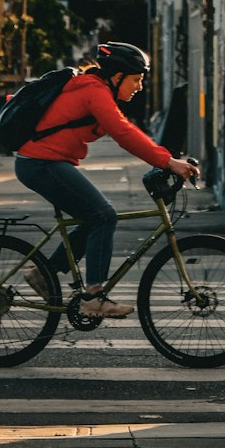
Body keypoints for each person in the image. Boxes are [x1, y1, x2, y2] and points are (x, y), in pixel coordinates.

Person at [13, 41, 198, 318]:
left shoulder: (98, 91)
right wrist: (168, 162)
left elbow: (126, 129)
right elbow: (123, 133)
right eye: (136, 79)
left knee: (94, 216)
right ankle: (93, 296)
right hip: (41, 163)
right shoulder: (94, 91)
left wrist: (165, 158)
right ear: (116, 77)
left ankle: (45, 274)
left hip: (44, 161)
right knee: (103, 215)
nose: (139, 86)